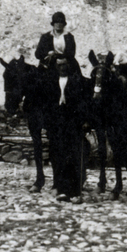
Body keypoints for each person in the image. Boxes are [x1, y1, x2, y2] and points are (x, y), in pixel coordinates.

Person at [45, 57, 87, 203]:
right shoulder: (51, 83)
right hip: (57, 125)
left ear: (69, 65)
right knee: (60, 157)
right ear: (56, 67)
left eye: (64, 64)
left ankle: (75, 192)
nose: (62, 67)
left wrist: (84, 121)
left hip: (73, 124)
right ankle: (62, 190)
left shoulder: (77, 82)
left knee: (74, 157)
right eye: (59, 65)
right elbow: (48, 105)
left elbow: (83, 103)